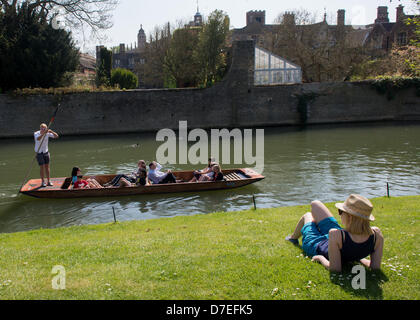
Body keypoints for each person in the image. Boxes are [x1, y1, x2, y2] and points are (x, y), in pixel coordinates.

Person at [285, 194, 384, 273]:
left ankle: (293, 238)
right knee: (315, 203)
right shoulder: (376, 234)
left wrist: (320, 258)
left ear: (349, 217)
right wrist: (358, 258)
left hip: (316, 245)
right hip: (341, 238)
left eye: (341, 212)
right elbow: (374, 267)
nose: (339, 214)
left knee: (308, 215)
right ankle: (315, 227)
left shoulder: (336, 235)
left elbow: (335, 269)